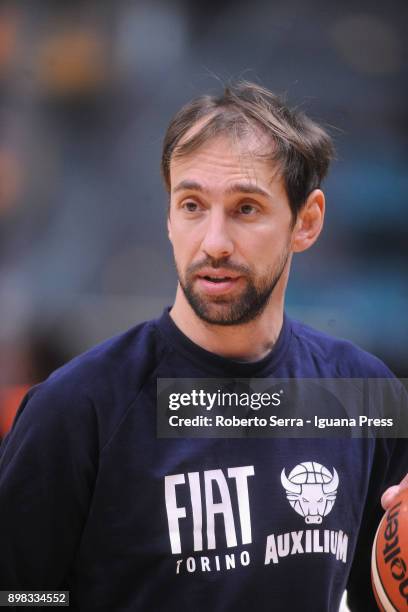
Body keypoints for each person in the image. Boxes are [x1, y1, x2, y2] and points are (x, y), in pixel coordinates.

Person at [0, 81, 406, 611]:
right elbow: (22, 594)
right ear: (169, 216)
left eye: (245, 209)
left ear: (306, 222)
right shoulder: (77, 408)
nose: (213, 241)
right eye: (192, 205)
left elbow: (380, 593)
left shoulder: (363, 394)